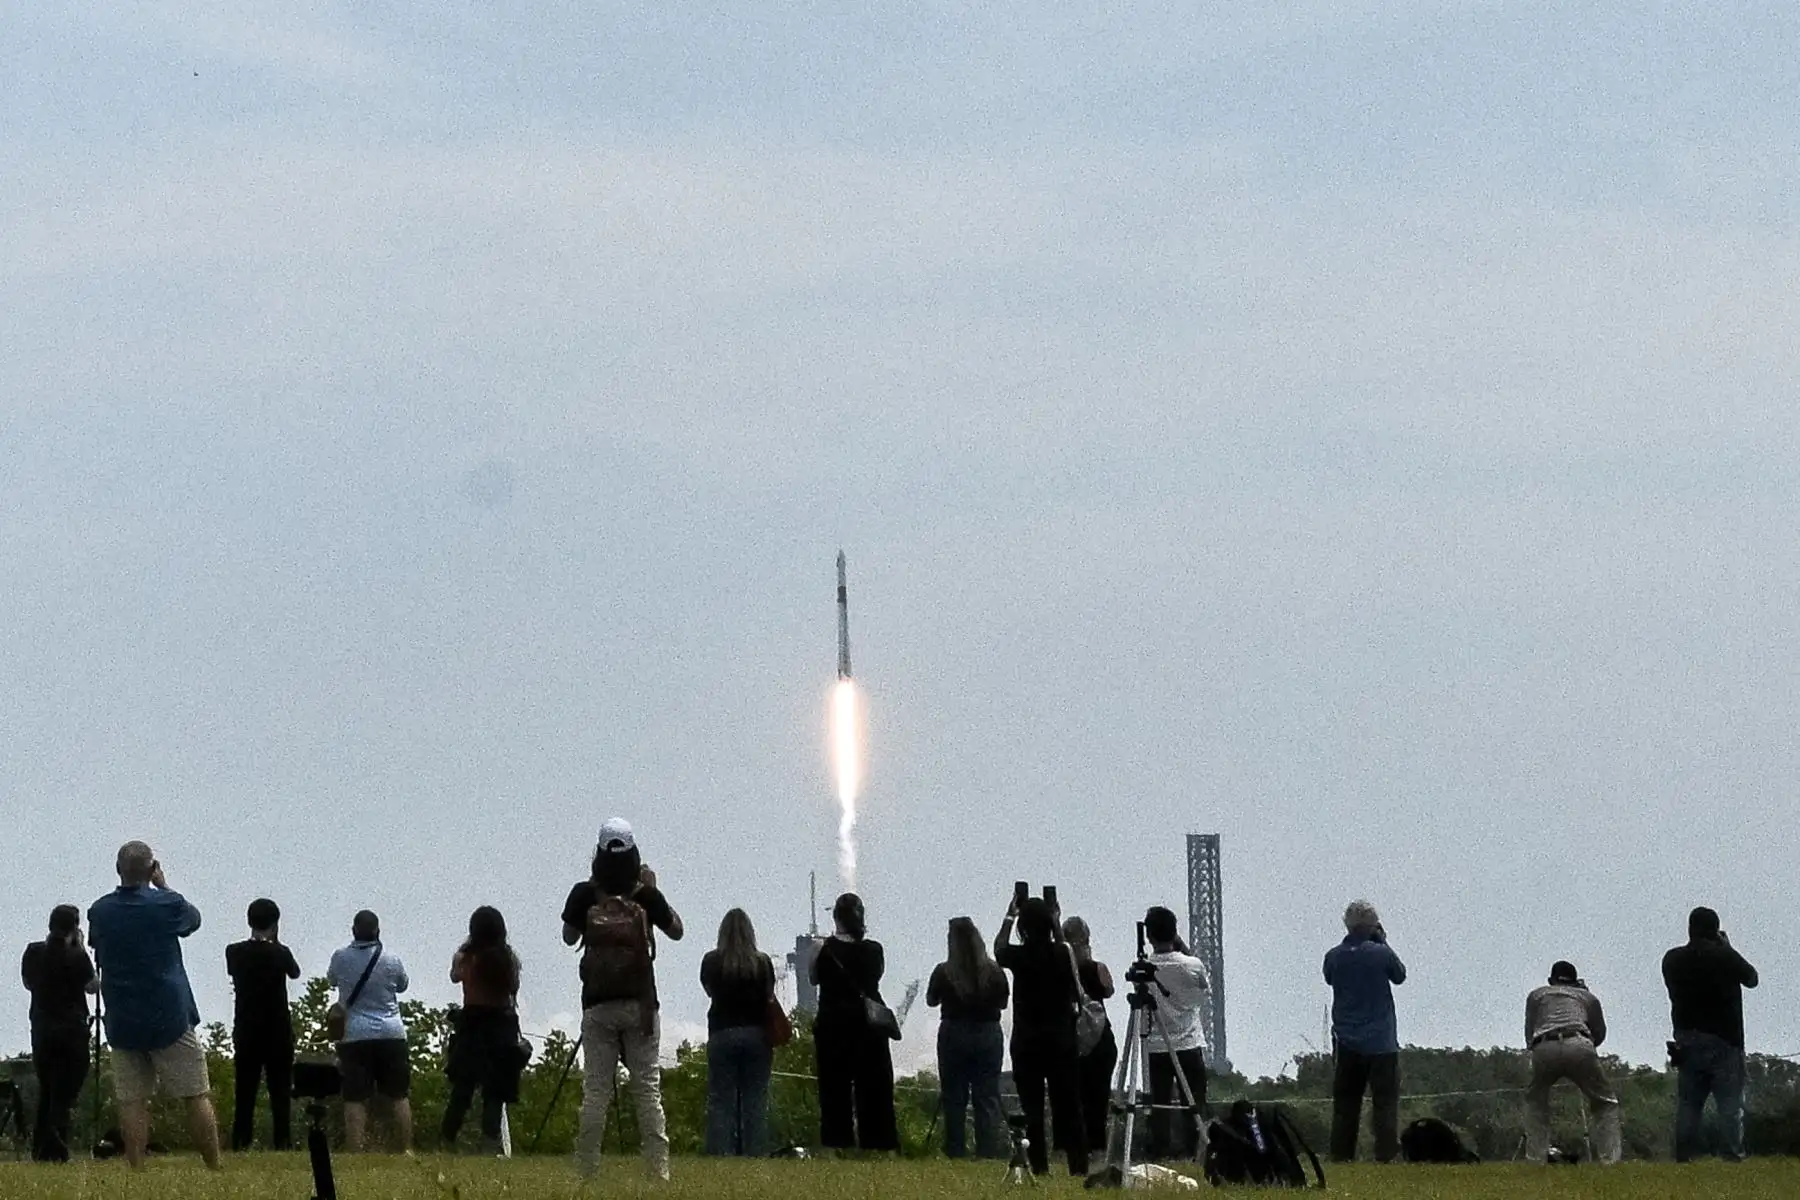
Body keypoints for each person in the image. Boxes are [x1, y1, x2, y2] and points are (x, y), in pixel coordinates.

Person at [86, 842, 222, 1169]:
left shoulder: (100, 910)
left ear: (118, 869)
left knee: (132, 1098)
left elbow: (95, 943)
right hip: (168, 1013)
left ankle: (136, 1168)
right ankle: (214, 1166)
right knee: (195, 1093)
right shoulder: (167, 904)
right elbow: (193, 919)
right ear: (152, 869)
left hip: (122, 1014)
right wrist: (163, 885)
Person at [561, 817, 684, 1181]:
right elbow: (677, 930)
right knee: (647, 1089)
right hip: (641, 1004)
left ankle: (586, 1170)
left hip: (598, 1004)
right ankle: (658, 1171)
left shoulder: (585, 893)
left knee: (596, 1090)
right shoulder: (644, 894)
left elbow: (569, 937)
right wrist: (652, 890)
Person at [994, 896, 1087, 1177]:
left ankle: (1039, 1165)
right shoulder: (1061, 952)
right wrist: (1056, 921)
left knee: (1032, 1106)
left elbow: (998, 949)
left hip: (1027, 1040)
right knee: (1069, 1104)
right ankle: (1078, 1165)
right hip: (1060, 1039)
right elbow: (1076, 985)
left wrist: (1009, 917)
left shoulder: (1019, 956)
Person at [1663, 905, 1759, 1162]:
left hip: (1687, 1039)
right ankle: (1731, 1155)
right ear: (1715, 931)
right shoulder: (1724, 957)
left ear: (1690, 929)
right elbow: (1751, 978)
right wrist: (1727, 948)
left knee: (1689, 1106)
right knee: (1729, 1106)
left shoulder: (1672, 959)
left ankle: (1684, 1157)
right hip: (1725, 1039)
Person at [810, 892, 899, 1152]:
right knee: (873, 1088)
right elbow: (876, 977)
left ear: (836, 916)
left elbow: (813, 979)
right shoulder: (874, 949)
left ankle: (838, 1142)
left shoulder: (822, 948)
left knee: (834, 1088)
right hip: (868, 1024)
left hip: (832, 1023)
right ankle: (878, 1143)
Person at [1323, 899, 1406, 1163]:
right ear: (1373, 925)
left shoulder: (1334, 956)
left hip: (1347, 1040)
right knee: (1384, 1104)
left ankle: (1341, 1155)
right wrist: (1382, 941)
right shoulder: (1380, 953)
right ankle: (1385, 1155)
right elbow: (1400, 975)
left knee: (1346, 1105)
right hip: (1381, 1041)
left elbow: (1328, 978)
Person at [327, 910, 412, 1152]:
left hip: (354, 1034)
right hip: (391, 1032)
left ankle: (355, 1149)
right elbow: (403, 985)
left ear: (354, 930)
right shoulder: (391, 959)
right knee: (398, 1095)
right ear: (378, 930)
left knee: (354, 1097)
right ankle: (405, 1149)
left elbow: (332, 980)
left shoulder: (341, 957)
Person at [441, 906, 524, 1154]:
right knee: (495, 1090)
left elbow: (455, 976)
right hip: (501, 1025)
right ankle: (490, 1143)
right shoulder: (506, 959)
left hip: (472, 1024)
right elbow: (513, 987)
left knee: (463, 1087)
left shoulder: (467, 958)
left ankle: (447, 1139)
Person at [926, 916, 1009, 1159]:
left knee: (954, 1097)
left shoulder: (945, 971)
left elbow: (931, 1000)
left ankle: (956, 1150)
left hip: (954, 1033)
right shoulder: (994, 972)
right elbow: (1003, 1002)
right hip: (987, 1034)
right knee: (986, 1096)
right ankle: (986, 1151)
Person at [1522, 960, 1620, 1164]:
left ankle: (1535, 1161)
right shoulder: (1588, 997)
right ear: (1576, 981)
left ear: (1550, 980)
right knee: (1604, 1103)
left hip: (1544, 1045)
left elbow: (1529, 1032)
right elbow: (1599, 1034)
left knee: (1535, 1102)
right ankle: (1610, 1161)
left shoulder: (1536, 995)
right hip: (1578, 1042)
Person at [20, 905, 97, 1162]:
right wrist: (82, 947)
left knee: (48, 1089)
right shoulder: (75, 956)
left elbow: (28, 982)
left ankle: (41, 1147)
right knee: (65, 1091)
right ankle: (56, 1145)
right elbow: (92, 987)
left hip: (42, 1029)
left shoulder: (33, 952)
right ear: (75, 927)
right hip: (72, 1031)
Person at [225, 898, 301, 1151]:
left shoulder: (234, 952)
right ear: (275, 923)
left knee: (245, 1090)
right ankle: (282, 1141)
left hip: (246, 1029)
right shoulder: (280, 953)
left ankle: (240, 1140)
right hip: (277, 1030)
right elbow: (295, 972)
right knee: (280, 1091)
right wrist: (275, 942)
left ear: (249, 921)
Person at [699, 908, 777, 1157]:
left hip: (722, 1033)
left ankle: (721, 1155)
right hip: (757, 1035)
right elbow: (769, 994)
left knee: (721, 1102)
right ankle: (755, 1154)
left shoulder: (712, 961)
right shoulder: (762, 962)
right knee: (755, 1102)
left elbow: (709, 990)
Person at [1142, 906, 1209, 1162]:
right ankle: (1197, 1150)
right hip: (1189, 1041)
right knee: (1194, 1102)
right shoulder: (1191, 965)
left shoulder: (1144, 968)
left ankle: (1160, 1150)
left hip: (1156, 1045)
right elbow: (1203, 988)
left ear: (1149, 936)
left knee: (1158, 1103)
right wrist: (1181, 944)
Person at [1063, 917, 1117, 1155]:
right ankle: (1097, 1145)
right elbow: (1109, 989)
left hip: (1070, 1036)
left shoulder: (1060, 968)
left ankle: (1072, 1144)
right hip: (1099, 1036)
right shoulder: (1096, 968)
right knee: (1099, 1096)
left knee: (1074, 1096)